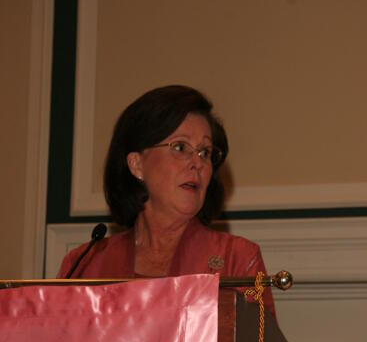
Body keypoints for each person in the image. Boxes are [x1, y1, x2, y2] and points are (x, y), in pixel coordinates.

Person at [58, 85, 275, 316]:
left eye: (205, 152)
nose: (197, 162)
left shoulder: (237, 259)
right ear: (136, 164)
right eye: (180, 147)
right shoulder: (85, 265)